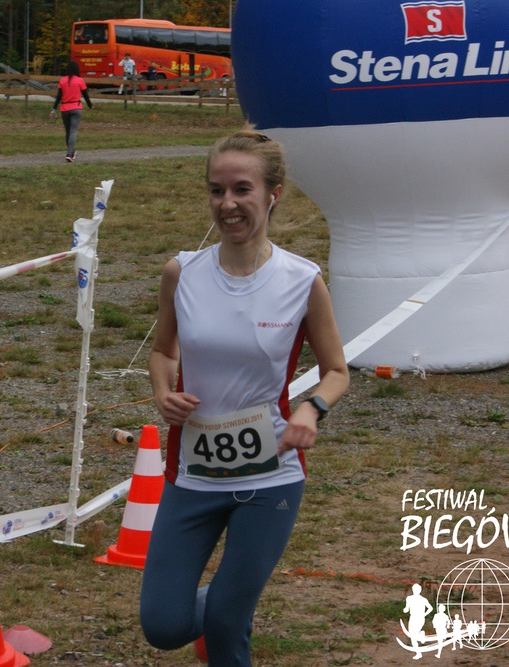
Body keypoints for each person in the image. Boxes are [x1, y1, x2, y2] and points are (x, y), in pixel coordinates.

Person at [139, 129, 350, 666]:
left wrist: (312, 408)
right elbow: (162, 352)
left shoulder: (302, 280)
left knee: (228, 624)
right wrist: (163, 392)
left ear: (272, 194)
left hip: (271, 476)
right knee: (163, 625)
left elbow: (336, 371)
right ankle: (222, 603)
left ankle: (229, 608)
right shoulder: (182, 273)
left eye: (241, 190)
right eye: (216, 191)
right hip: (193, 473)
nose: (227, 204)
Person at [49, 61, 92, 163]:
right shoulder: (80, 80)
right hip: (76, 108)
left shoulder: (62, 80)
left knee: (68, 131)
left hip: (65, 108)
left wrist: (54, 109)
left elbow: (59, 96)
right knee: (73, 131)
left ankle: (71, 151)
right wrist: (90, 105)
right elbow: (85, 95)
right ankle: (69, 153)